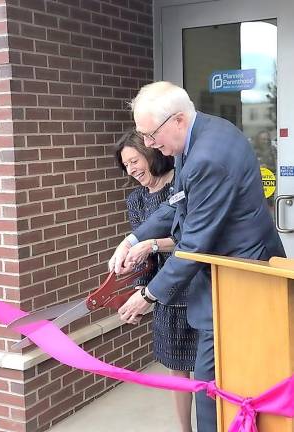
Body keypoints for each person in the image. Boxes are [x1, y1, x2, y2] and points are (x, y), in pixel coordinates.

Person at [109, 81, 286, 432]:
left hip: (241, 285)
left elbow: (193, 245)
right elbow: (177, 202)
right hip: (225, 284)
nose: (148, 144)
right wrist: (132, 238)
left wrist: (148, 295)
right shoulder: (200, 135)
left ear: (176, 120)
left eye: (149, 134)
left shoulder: (207, 157)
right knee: (221, 385)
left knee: (212, 388)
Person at [115, 129, 198, 432]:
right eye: (125, 165)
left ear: (150, 153)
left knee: (210, 367)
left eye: (134, 160)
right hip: (163, 293)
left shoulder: (184, 181)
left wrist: (150, 244)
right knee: (178, 369)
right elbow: (144, 257)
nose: (132, 169)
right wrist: (140, 291)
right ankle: (184, 429)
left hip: (197, 285)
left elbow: (195, 241)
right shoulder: (135, 199)